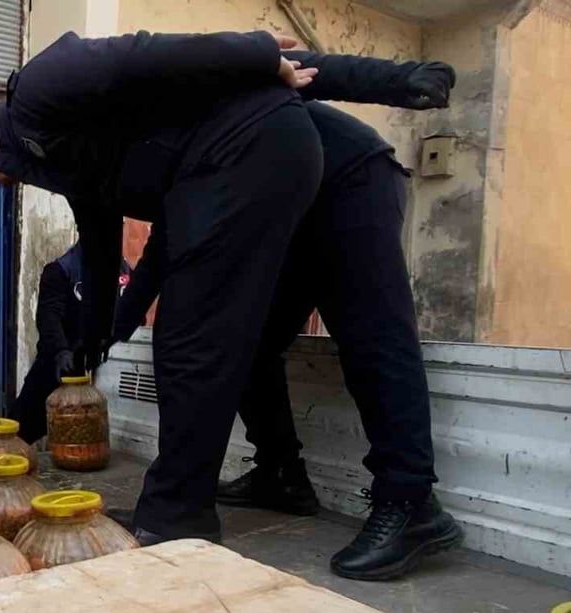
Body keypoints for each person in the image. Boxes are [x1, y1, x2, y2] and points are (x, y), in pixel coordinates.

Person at [0, 29, 327, 548]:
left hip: (246, 160)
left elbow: (151, 52)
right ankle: (194, 504)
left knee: (193, 344)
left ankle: (177, 517)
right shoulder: (66, 155)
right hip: (225, 172)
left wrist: (262, 53)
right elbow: (102, 239)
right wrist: (99, 333)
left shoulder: (42, 89)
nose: (4, 184)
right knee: (191, 341)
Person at [110, 53, 461, 580]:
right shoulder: (164, 160)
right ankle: (281, 474)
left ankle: (411, 501)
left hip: (350, 178)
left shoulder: (182, 82)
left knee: (372, 338)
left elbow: (303, 67)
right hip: (289, 207)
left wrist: (402, 80)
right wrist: (110, 332)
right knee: (244, 345)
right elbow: (161, 252)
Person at [14, 240, 131, 443]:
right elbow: (49, 316)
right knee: (21, 430)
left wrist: (110, 340)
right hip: (59, 366)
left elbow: (131, 311)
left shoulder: (123, 272)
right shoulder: (61, 270)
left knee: (83, 437)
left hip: (100, 366)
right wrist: (61, 351)